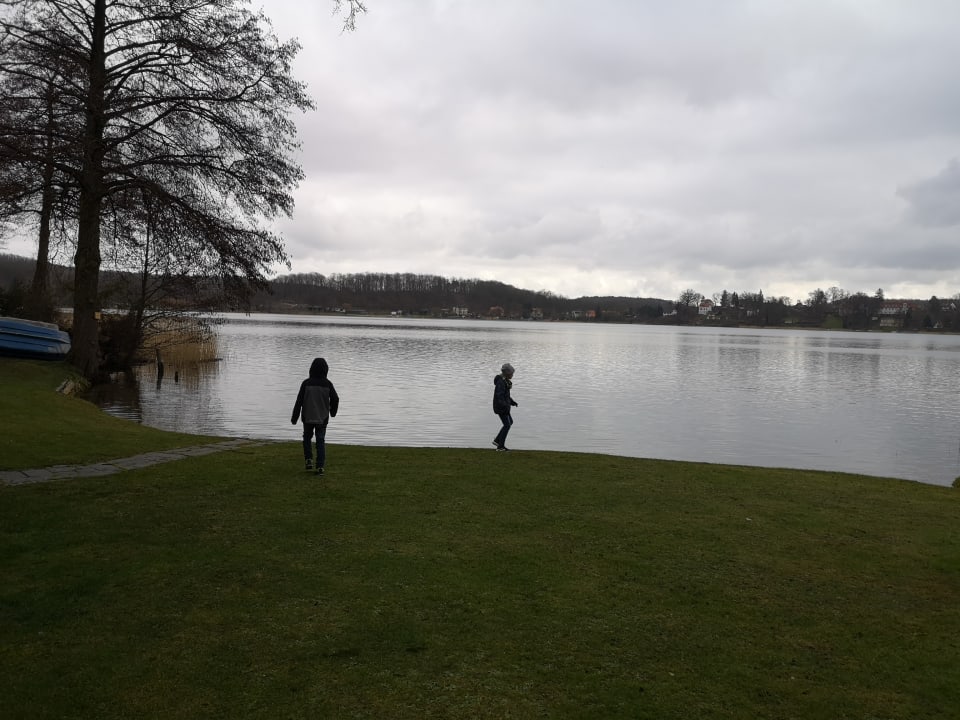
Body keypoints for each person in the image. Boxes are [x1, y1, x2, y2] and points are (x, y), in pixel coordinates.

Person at [291, 357, 340, 475]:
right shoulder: (328, 384)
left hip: (307, 416)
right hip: (322, 417)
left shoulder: (306, 383)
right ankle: (320, 467)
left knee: (307, 438)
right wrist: (333, 413)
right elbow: (335, 399)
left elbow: (299, 401)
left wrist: (294, 418)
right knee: (320, 440)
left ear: (311, 369)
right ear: (326, 370)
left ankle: (308, 459)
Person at [492, 362, 518, 451]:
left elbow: (506, 396)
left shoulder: (505, 381)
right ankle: (500, 446)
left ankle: (497, 440)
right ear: (507, 373)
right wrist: (505, 407)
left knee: (510, 422)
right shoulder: (501, 382)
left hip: (505, 407)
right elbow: (499, 396)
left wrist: (512, 402)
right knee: (507, 425)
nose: (512, 375)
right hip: (501, 408)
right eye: (511, 373)